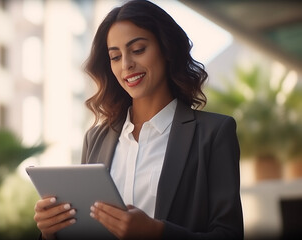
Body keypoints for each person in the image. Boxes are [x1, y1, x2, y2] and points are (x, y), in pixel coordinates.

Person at [33, 0, 244, 239]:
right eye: (115, 56)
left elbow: (230, 234)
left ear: (166, 49)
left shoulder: (214, 133)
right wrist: (51, 231)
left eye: (138, 49)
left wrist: (157, 232)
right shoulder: (96, 138)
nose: (126, 65)